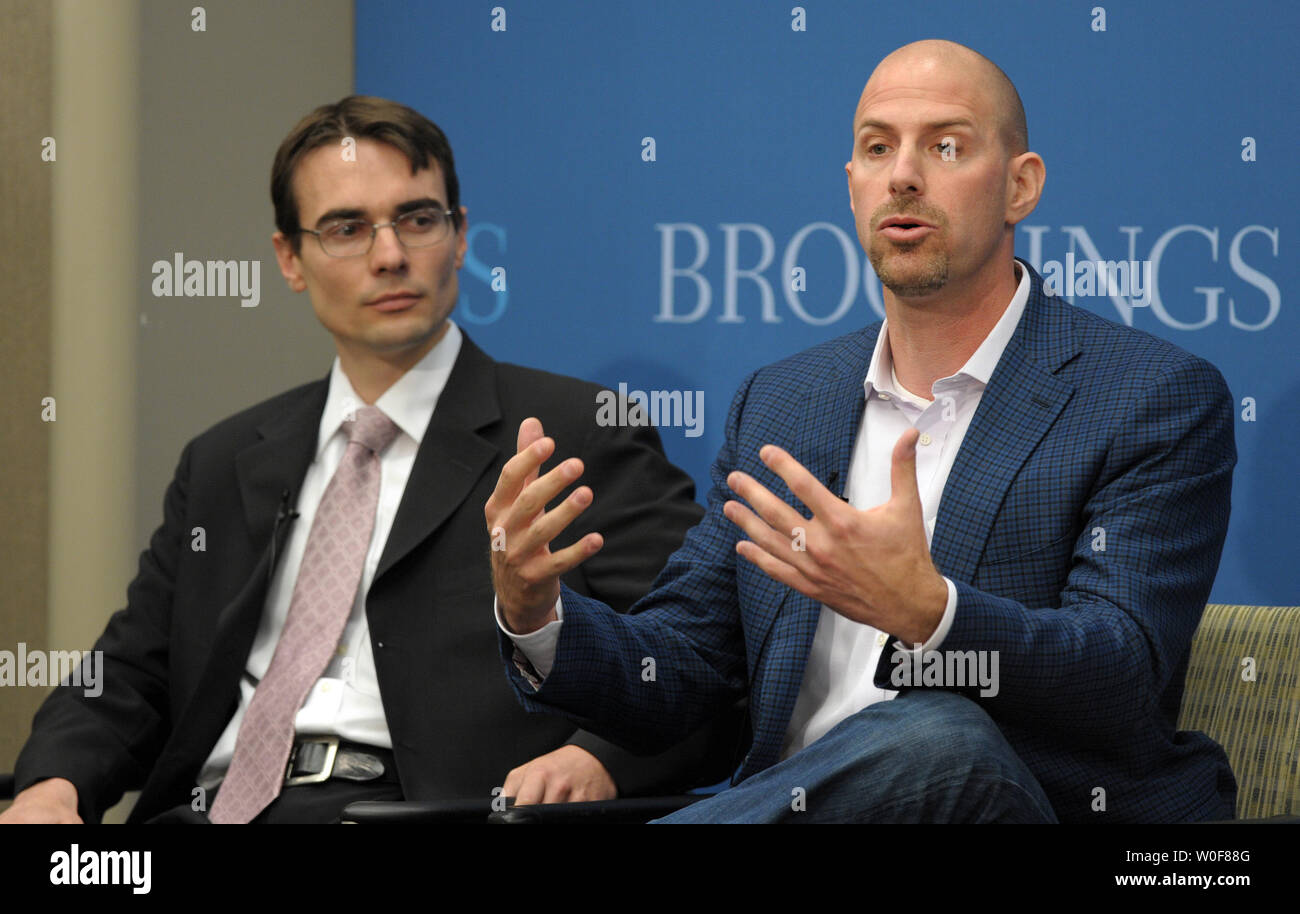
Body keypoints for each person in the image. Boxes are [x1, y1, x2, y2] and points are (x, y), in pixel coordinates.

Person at [489, 40, 1238, 823]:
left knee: (940, 734)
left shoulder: (1148, 395)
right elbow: (683, 673)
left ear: (1021, 187)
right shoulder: (783, 402)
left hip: (1026, 808)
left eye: (946, 146)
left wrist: (933, 614)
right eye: (877, 148)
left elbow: (1123, 672)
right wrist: (538, 615)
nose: (904, 174)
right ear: (852, 187)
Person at [3, 96, 726, 824]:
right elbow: (129, 673)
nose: (390, 255)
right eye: (347, 229)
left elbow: (696, 663)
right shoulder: (224, 462)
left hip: (421, 812)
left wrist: (599, 756)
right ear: (289, 258)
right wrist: (51, 786)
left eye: (418, 219)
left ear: (462, 236)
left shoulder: (569, 435)